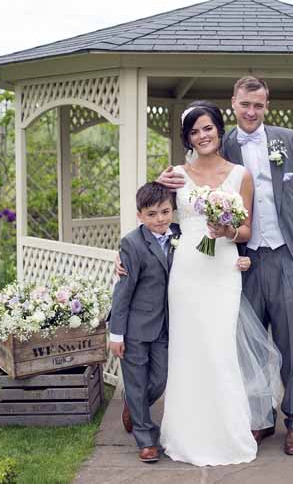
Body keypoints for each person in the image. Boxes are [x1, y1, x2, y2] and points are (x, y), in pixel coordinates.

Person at [157, 76, 293, 455]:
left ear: (267, 104)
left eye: (258, 105)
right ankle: (258, 420)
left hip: (285, 258)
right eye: (245, 104)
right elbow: (178, 205)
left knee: (290, 345)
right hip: (239, 262)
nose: (251, 112)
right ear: (233, 103)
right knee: (243, 346)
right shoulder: (216, 142)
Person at [159, 100, 282, 466]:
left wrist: (228, 229)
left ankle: (228, 433)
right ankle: (186, 433)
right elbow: (156, 217)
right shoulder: (176, 175)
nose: (202, 136)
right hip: (188, 271)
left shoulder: (240, 174)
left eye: (208, 128)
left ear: (219, 130)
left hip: (224, 268)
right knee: (189, 349)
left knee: (220, 347)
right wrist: (126, 255)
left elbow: (245, 229)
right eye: (194, 131)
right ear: (188, 138)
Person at [107, 182, 180, 463]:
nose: (159, 219)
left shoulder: (179, 235)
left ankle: (133, 407)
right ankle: (146, 439)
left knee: (159, 380)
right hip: (136, 327)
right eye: (151, 214)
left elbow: (201, 254)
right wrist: (117, 334)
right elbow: (122, 292)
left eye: (164, 212)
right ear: (140, 215)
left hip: (165, 325)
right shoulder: (132, 244)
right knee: (136, 383)